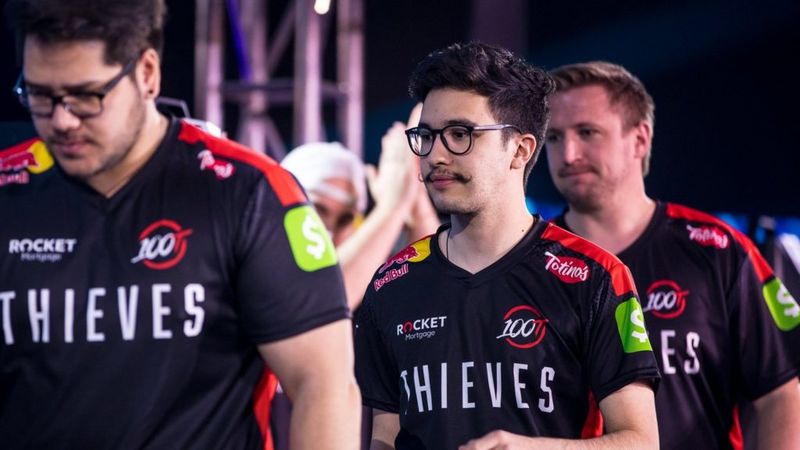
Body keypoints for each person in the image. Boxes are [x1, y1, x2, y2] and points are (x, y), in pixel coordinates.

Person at [0, 1, 360, 449]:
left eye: (86, 96)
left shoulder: (250, 194)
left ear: (147, 73)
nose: (61, 120)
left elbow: (323, 385)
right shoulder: (8, 192)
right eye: (39, 95)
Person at [354, 42, 661, 450]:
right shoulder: (391, 283)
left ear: (520, 150)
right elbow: (385, 436)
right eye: (426, 136)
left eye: (460, 134)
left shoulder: (596, 277)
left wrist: (535, 449)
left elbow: (641, 441)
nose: (435, 156)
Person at [545, 61, 800, 450]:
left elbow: (782, 392)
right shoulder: (528, 261)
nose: (568, 154)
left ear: (640, 139)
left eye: (587, 132)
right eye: (554, 137)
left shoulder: (718, 251)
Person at [281, 108, 440, 310]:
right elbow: (321, 304)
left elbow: (436, 291)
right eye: (317, 211)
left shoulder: (371, 284)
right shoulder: (261, 266)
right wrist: (393, 204)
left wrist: (414, 195)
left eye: (345, 219)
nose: (329, 233)